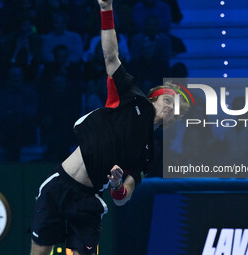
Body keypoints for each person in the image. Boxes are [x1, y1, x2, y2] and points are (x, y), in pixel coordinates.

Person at [30, 0, 189, 255]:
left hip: (89, 202)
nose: (171, 108)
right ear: (154, 97)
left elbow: (124, 196)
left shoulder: (146, 155)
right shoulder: (130, 98)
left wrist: (116, 186)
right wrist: (106, 10)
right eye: (168, 100)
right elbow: (111, 56)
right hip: (59, 186)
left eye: (177, 110)